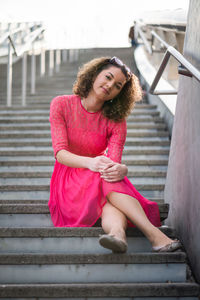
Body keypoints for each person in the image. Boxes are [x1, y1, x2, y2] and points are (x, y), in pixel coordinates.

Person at [48, 56, 181, 253]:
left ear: (119, 93)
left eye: (118, 85)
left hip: (99, 176)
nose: (110, 85)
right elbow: (60, 153)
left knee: (107, 177)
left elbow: (113, 164)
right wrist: (92, 163)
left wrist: (121, 168)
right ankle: (154, 235)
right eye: (108, 77)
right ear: (94, 75)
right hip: (69, 177)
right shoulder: (61, 104)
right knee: (103, 177)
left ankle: (117, 235)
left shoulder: (116, 120)